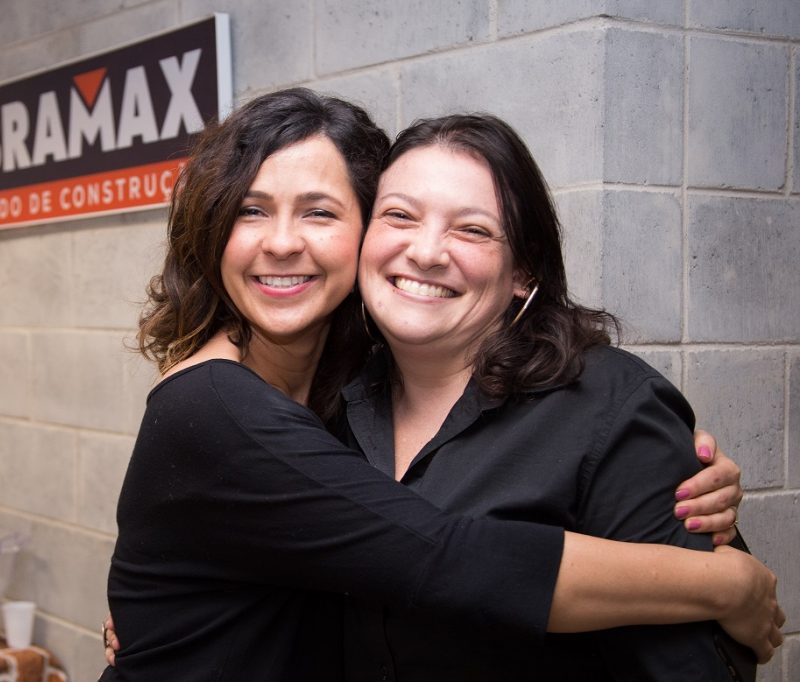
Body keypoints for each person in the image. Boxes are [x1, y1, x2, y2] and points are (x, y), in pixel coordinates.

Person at [100, 89, 782, 682]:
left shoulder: (600, 405)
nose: (425, 251)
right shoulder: (224, 404)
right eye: (250, 210)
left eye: (319, 212)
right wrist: (727, 584)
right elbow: (446, 557)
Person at [341, 112, 771, 680]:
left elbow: (693, 664)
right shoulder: (325, 399)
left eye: (472, 230)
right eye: (399, 215)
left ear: (523, 270)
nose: (425, 252)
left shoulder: (611, 407)